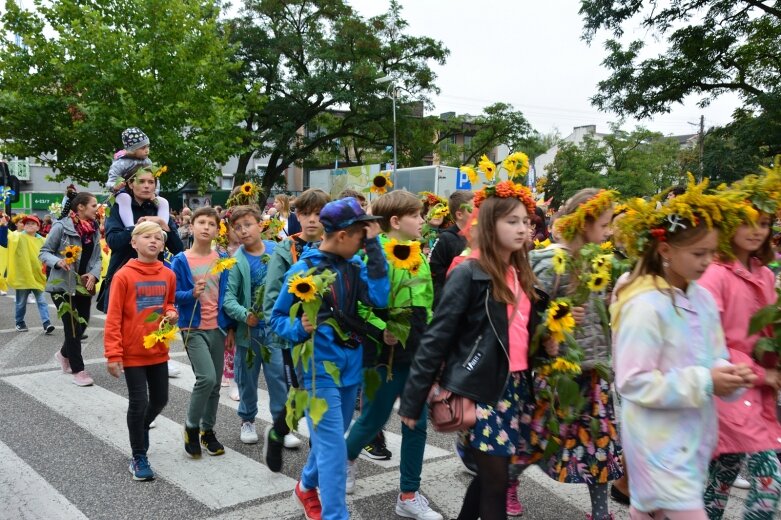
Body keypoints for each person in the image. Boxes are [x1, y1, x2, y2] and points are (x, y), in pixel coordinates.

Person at [400, 185, 551, 520]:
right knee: (496, 483)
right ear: (489, 224)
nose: (524, 228)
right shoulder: (470, 272)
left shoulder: (522, 272)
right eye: (513, 221)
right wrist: (413, 399)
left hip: (517, 387)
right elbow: (437, 336)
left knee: (491, 479)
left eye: (526, 221)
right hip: (482, 387)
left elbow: (522, 334)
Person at [610, 183, 756, 519]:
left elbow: (714, 355)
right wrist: (706, 382)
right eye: (698, 253)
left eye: (712, 252)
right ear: (665, 250)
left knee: (650, 513)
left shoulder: (702, 299)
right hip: (656, 442)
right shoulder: (644, 304)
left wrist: (731, 375)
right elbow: (632, 381)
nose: (707, 262)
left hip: (692, 440)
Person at [270, 197, 388, 520]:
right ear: (342, 236)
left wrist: (375, 246)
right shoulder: (302, 270)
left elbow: (379, 297)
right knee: (335, 450)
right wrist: (298, 326)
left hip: (351, 366)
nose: (364, 240)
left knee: (329, 441)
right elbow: (276, 318)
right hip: (316, 370)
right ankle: (336, 515)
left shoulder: (355, 265)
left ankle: (306, 485)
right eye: (361, 235)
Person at [344, 190, 442, 520]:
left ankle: (409, 495)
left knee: (417, 425)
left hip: (415, 352)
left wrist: (430, 344)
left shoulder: (419, 255)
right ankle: (343, 463)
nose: (423, 221)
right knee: (372, 419)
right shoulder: (372, 256)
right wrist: (379, 328)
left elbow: (425, 302)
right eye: (417, 215)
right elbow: (358, 305)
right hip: (381, 355)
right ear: (396, 221)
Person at [529, 189, 624, 520]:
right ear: (584, 221)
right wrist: (555, 318)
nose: (609, 230)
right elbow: (525, 313)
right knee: (538, 439)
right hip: (560, 371)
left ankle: (600, 513)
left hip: (594, 367)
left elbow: (598, 312)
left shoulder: (596, 260)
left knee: (599, 444)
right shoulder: (549, 261)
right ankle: (506, 485)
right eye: (605, 222)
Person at [699, 176, 781, 519]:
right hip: (731, 385)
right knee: (769, 479)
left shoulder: (765, 274)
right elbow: (708, 339)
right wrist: (762, 373)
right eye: (747, 222)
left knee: (722, 476)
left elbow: (768, 331)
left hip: (759, 387)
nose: (756, 231)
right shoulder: (715, 274)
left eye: (763, 223)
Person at [261, 188, 330, 471]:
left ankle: (319, 462)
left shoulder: (338, 247)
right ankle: (278, 433)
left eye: (318, 214)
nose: (312, 220)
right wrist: (293, 329)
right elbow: (271, 301)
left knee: (324, 401)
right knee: (300, 395)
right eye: (305, 214)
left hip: (329, 340)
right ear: (297, 216)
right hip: (296, 340)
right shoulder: (285, 249)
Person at [104, 221, 178, 481]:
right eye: (146, 237)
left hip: (158, 348)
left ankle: (140, 428)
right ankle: (138, 456)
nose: (153, 241)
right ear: (134, 243)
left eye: (158, 237)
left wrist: (171, 313)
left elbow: (169, 302)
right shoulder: (124, 275)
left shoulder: (168, 273)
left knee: (160, 400)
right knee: (139, 402)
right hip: (132, 351)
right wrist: (113, 354)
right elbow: (113, 317)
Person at [171, 207, 235, 458]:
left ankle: (208, 432)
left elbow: (227, 295)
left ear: (217, 229)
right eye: (202, 222)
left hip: (217, 328)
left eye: (211, 223)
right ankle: (191, 426)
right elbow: (173, 295)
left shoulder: (221, 259)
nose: (206, 227)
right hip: (192, 328)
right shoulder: (180, 260)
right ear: (192, 226)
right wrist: (191, 294)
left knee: (216, 385)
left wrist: (229, 327)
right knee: (206, 378)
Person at [222, 206, 285, 445]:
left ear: (260, 224)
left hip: (274, 330)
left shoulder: (277, 251)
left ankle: (281, 424)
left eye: (248, 224)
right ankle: (247, 420)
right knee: (247, 378)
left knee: (278, 377)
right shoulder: (235, 260)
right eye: (238, 228)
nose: (243, 231)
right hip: (248, 331)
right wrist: (244, 314)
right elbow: (228, 299)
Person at [39, 193, 102, 386]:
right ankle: (78, 370)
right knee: (73, 326)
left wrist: (93, 274)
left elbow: (97, 258)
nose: (96, 208)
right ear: (80, 207)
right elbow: (44, 252)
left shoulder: (94, 228)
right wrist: (58, 261)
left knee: (82, 324)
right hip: (62, 285)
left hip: (83, 285)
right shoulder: (61, 226)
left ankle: (63, 354)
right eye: (93, 205)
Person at [0, 213, 55, 334]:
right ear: (23, 226)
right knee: (21, 303)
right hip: (23, 275)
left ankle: (47, 323)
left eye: (33, 223)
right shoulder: (17, 237)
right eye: (27, 224)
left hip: (37, 275)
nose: (30, 225)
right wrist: (3, 225)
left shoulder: (42, 240)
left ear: (38, 227)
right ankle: (19, 322)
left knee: (42, 300)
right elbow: (4, 242)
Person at [106, 128, 170, 229]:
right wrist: (115, 186)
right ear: (133, 150)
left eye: (148, 146)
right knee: (125, 198)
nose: (147, 150)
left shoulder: (147, 162)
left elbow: (156, 179)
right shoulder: (120, 163)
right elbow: (110, 182)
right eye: (143, 148)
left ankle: (162, 228)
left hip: (145, 195)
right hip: (123, 193)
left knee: (163, 202)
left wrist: (155, 193)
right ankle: (131, 227)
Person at [428, 190, 473, 307]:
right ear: (459, 214)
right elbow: (434, 269)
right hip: (449, 299)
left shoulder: (477, 237)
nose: (478, 213)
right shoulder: (446, 238)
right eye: (472, 209)